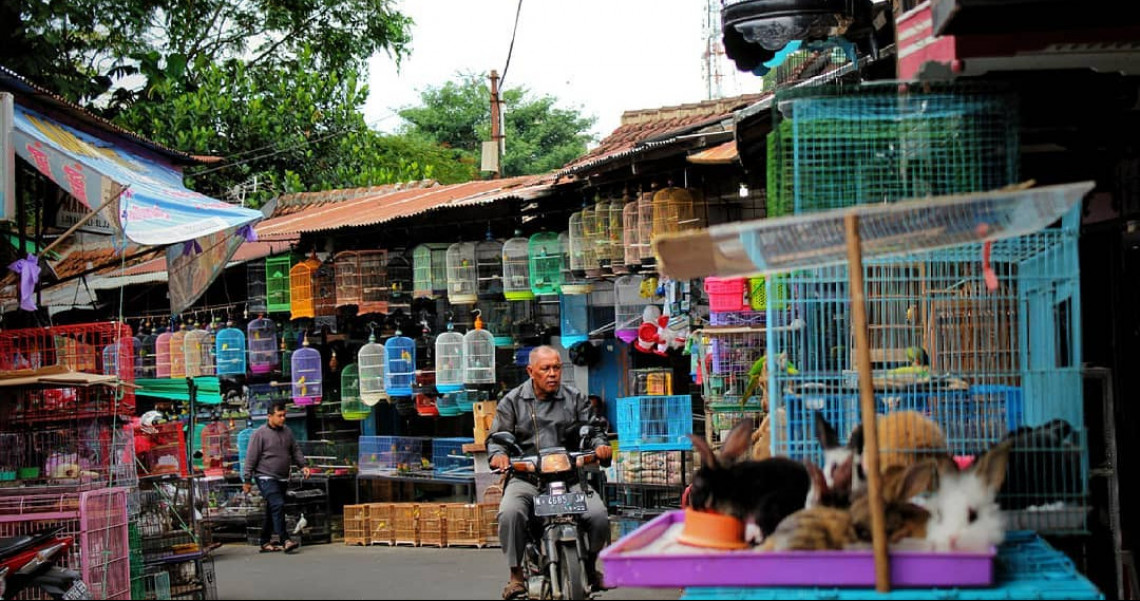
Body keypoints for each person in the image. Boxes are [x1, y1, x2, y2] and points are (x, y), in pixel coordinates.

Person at [488, 346, 613, 599]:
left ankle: (589, 567)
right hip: (527, 478)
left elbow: (594, 429)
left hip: (569, 479)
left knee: (598, 515)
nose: (553, 373)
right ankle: (515, 575)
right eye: (546, 368)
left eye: (557, 367)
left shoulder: (575, 398)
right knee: (510, 513)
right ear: (530, 371)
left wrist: (600, 445)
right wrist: (499, 455)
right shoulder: (512, 401)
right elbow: (496, 440)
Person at [242, 400, 311, 553]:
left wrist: (303, 466)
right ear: (269, 416)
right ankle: (285, 539)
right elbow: (251, 458)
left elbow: (295, 450)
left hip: (282, 478)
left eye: (284, 415)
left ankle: (265, 541)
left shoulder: (287, 432)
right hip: (265, 477)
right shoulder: (259, 434)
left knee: (272, 508)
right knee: (278, 504)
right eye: (279, 416)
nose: (283, 418)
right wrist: (247, 479)